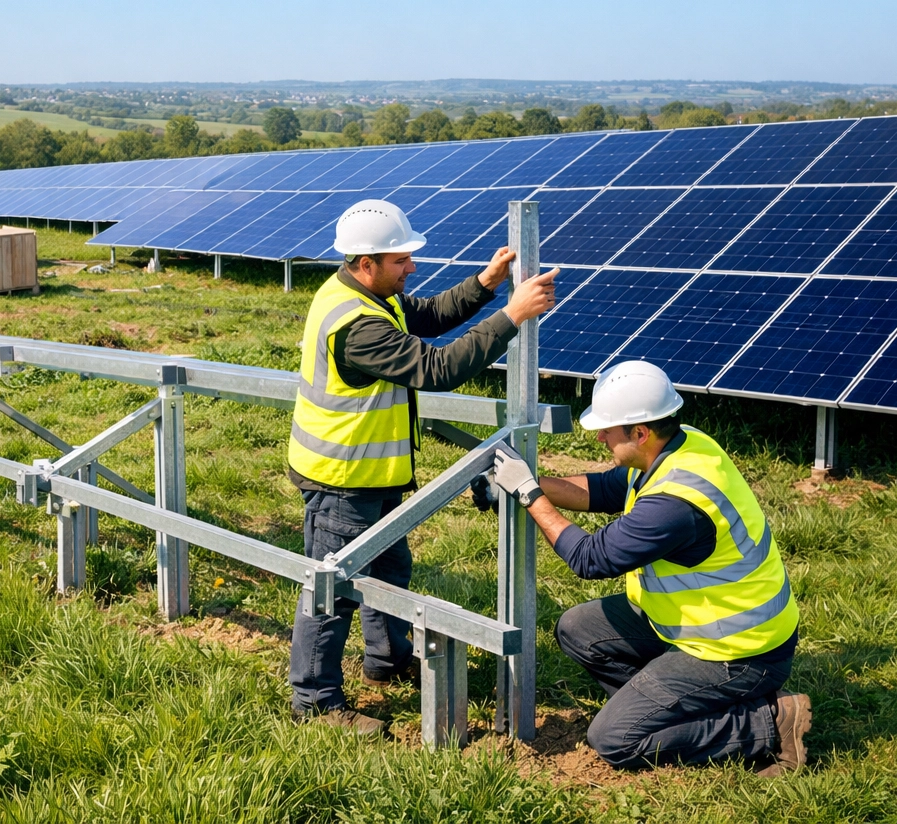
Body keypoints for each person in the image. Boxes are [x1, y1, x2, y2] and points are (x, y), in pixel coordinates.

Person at [288, 199, 558, 731]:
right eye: (400, 260)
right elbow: (435, 368)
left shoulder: (361, 292)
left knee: (390, 571)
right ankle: (314, 703)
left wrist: (483, 284)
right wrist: (512, 316)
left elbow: (427, 317)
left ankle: (386, 658)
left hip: (372, 474)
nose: (411, 268)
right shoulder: (357, 325)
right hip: (342, 480)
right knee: (330, 591)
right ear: (366, 262)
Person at [482, 360, 810, 774]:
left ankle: (768, 722)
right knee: (577, 629)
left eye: (607, 429)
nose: (599, 436)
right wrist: (522, 483)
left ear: (640, 432)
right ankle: (671, 708)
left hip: (739, 651)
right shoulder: (682, 446)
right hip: (695, 626)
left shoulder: (674, 505)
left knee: (614, 740)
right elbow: (606, 488)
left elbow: (590, 558)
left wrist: (530, 495)